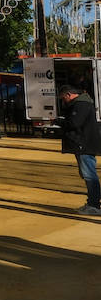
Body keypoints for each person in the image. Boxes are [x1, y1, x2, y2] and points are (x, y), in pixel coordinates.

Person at [58, 84, 101, 215]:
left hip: (83, 144)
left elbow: (74, 123)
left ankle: (94, 205)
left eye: (63, 98)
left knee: (89, 175)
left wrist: (60, 122)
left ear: (69, 95)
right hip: (83, 143)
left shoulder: (81, 105)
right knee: (87, 174)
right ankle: (92, 203)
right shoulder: (83, 103)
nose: (63, 101)